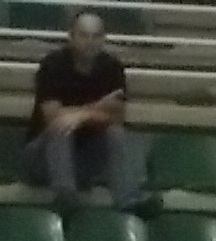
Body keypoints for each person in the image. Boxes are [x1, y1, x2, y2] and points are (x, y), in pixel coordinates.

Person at [25, 9, 155, 215]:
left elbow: (117, 118)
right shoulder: (53, 65)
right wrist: (97, 107)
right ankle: (65, 197)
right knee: (61, 128)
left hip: (87, 159)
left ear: (104, 39)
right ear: (71, 36)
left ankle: (128, 199)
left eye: (96, 36)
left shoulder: (112, 68)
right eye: (84, 35)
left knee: (116, 133)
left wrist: (79, 115)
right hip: (43, 158)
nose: (90, 41)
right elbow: (53, 118)